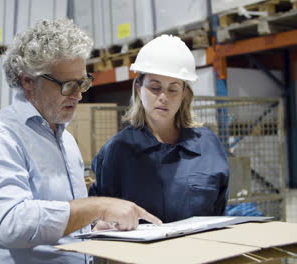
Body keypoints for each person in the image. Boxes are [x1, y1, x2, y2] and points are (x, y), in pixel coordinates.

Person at [0, 19, 161, 264]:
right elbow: (13, 224)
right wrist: (97, 207)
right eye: (67, 85)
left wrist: (95, 226)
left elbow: (64, 221)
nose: (78, 95)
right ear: (28, 82)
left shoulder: (65, 139)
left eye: (83, 83)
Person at [89, 35, 230, 223]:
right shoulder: (117, 150)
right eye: (155, 87)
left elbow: (219, 210)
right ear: (139, 89)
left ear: (184, 94)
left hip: (198, 250)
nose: (163, 97)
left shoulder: (208, 146)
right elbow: (99, 213)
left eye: (173, 89)